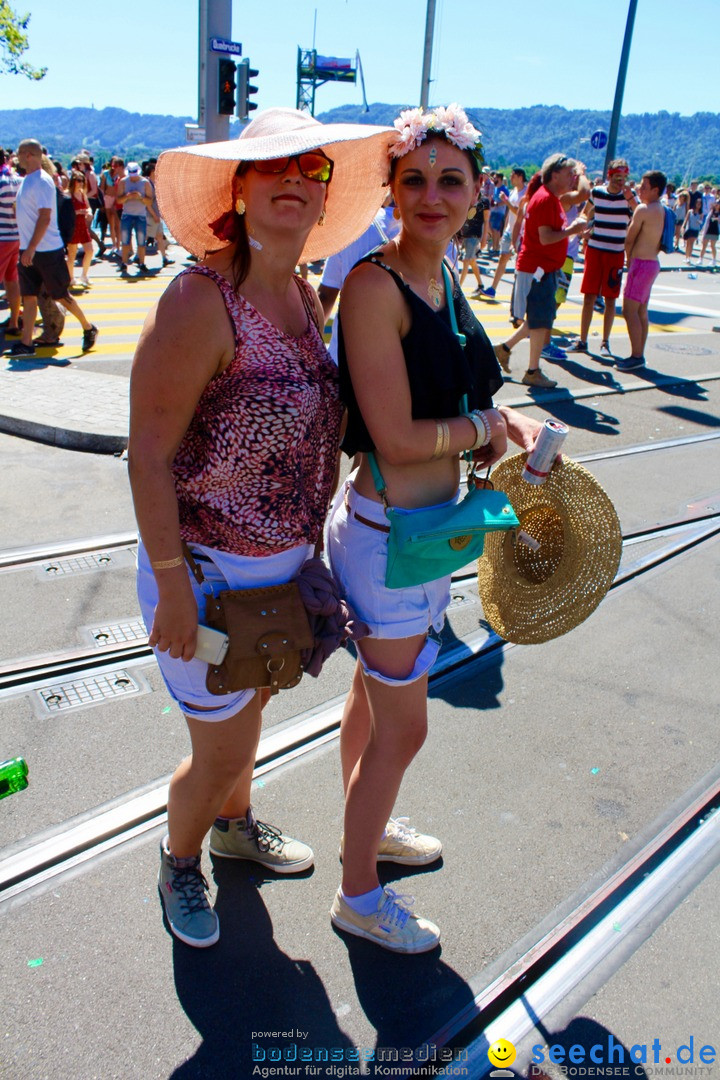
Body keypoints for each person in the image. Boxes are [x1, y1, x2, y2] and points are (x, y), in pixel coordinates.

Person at [128, 107, 392, 949]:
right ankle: (179, 860)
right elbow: (146, 455)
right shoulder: (200, 298)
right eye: (270, 167)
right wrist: (172, 581)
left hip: (280, 573)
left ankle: (234, 830)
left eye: (309, 171)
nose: (292, 180)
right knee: (219, 750)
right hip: (204, 573)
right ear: (237, 191)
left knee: (251, 719)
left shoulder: (306, 298)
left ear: (322, 204)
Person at [326, 105, 546, 953]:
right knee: (405, 725)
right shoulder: (377, 286)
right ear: (391, 188)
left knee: (371, 701)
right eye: (413, 178)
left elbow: (457, 400)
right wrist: (485, 431)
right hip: (389, 537)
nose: (431, 195)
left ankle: (364, 832)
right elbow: (398, 436)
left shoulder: (442, 276)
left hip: (423, 531)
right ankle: (356, 893)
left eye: (449, 180)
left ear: (477, 192)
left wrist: (507, 423)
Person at [8, 139, 97, 360]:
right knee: (29, 297)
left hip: (46, 251)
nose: (16, 158)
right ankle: (26, 343)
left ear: (29, 155)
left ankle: (88, 327)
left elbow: (46, 217)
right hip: (29, 249)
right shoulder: (28, 181)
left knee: (61, 295)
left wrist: (31, 248)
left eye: (19, 153)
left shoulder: (43, 181)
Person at [509, 156, 590, 386]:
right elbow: (546, 238)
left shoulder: (550, 198)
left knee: (539, 320)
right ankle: (532, 371)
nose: (572, 178)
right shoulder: (546, 200)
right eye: (568, 174)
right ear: (555, 175)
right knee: (539, 321)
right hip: (540, 270)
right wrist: (572, 230)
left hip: (543, 269)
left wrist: (572, 232)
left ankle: (507, 352)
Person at [567, 159, 637, 359]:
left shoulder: (628, 197)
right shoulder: (597, 193)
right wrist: (583, 230)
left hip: (615, 253)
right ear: (609, 176)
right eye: (617, 178)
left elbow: (639, 213)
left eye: (624, 178)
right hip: (595, 250)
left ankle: (605, 341)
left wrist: (631, 197)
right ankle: (582, 339)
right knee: (589, 296)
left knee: (610, 299)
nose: (620, 182)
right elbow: (584, 214)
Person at [618, 169, 667, 372]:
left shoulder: (643, 210)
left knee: (630, 310)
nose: (640, 189)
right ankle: (639, 353)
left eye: (644, 187)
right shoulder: (661, 209)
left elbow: (630, 238)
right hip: (652, 263)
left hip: (640, 263)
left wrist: (628, 259)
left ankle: (636, 355)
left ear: (655, 190)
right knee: (641, 311)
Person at [116, 162, 153, 276]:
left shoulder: (145, 183)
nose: (133, 177)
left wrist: (140, 197)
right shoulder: (123, 182)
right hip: (127, 214)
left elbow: (149, 201)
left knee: (141, 241)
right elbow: (118, 200)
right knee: (125, 240)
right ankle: (124, 262)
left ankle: (141, 263)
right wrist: (127, 196)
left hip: (140, 215)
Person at [0, 148, 22, 338]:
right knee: (12, 280)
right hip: (16, 236)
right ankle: (14, 322)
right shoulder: (17, 179)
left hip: (1, 236)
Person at [66, 169, 94, 289]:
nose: (81, 183)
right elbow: (64, 211)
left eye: (83, 181)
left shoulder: (82, 194)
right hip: (73, 225)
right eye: (79, 180)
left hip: (82, 225)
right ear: (73, 181)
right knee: (72, 254)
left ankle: (84, 275)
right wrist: (77, 212)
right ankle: (71, 277)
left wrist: (89, 212)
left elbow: (88, 207)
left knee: (90, 250)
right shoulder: (68, 194)